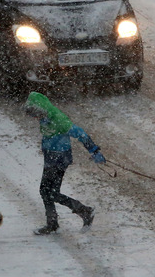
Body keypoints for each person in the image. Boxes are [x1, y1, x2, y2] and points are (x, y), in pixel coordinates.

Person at [23, 91, 106, 235]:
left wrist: (94, 150)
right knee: (47, 191)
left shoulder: (58, 119)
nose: (34, 117)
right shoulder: (45, 117)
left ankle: (83, 211)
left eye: (35, 114)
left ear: (41, 109)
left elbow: (80, 133)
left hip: (60, 159)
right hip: (51, 157)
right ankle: (54, 223)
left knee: (49, 192)